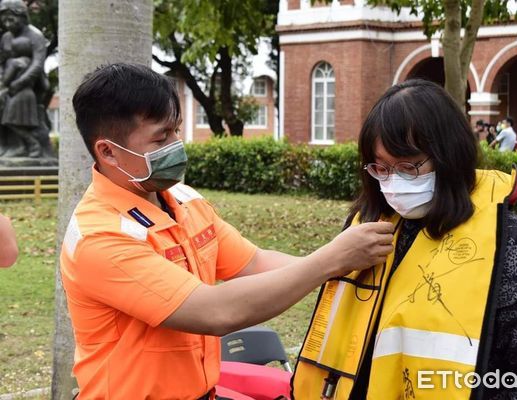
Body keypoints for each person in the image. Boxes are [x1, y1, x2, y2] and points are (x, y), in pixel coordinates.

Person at [60, 63, 395, 399]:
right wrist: (331, 261)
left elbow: (256, 263)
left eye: (176, 130)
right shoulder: (100, 237)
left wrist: (346, 263)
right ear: (108, 151)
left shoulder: (183, 201)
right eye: (161, 137)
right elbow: (216, 311)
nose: (177, 144)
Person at [292, 80, 517, 399]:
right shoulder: (366, 230)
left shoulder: (512, 242)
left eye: (408, 167)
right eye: (381, 168)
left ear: (448, 156)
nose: (393, 182)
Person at [0, 0, 51, 158]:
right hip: (8, 83)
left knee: (12, 112)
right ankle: (8, 146)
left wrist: (18, 83)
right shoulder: (6, 37)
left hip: (29, 85)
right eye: (4, 19)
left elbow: (37, 65)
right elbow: (1, 62)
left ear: (22, 16)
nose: (7, 23)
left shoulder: (35, 36)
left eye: (11, 19)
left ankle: (29, 145)